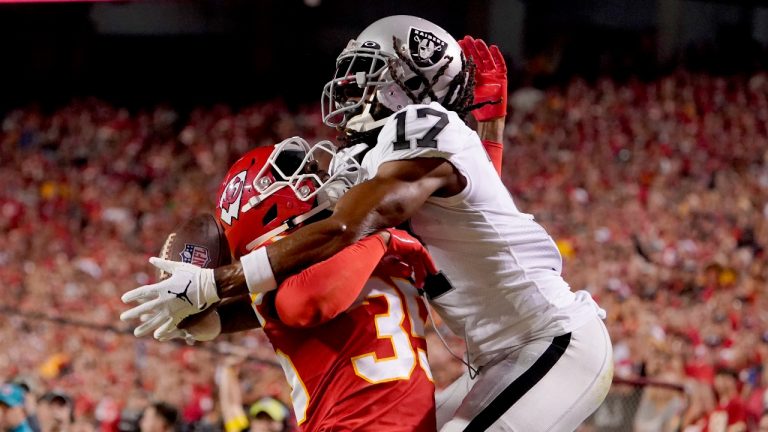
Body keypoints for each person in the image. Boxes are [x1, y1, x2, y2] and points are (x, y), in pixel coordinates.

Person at [123, 15, 612, 431]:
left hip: (551, 341)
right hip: (500, 355)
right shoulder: (388, 154)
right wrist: (211, 318)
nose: (351, 85)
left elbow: (345, 229)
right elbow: (456, 227)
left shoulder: (420, 125)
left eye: (370, 72)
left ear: (416, 86)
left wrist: (218, 282)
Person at [124, 143, 439, 431]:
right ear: (262, 205)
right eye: (295, 171)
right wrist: (380, 238)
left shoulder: (328, 248)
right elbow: (309, 300)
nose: (315, 173)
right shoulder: (290, 266)